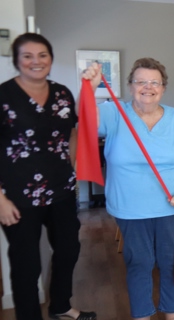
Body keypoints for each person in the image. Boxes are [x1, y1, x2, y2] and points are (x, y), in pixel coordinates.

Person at [83, 58, 174, 320]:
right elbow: (86, 120)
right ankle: (142, 315)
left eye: (154, 82)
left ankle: (173, 313)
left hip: (171, 206)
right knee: (140, 262)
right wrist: (89, 88)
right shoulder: (114, 112)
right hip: (129, 207)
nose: (148, 87)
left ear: (163, 87)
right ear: (130, 85)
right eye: (141, 82)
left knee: (171, 261)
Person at [0, 33, 97, 320]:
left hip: (62, 191)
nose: (35, 61)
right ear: (17, 60)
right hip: (18, 196)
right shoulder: (4, 96)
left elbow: (73, 132)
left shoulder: (62, 93)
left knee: (69, 249)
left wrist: (74, 167)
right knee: (26, 264)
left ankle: (61, 305)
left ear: (51, 59)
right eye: (27, 55)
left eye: (42, 55)